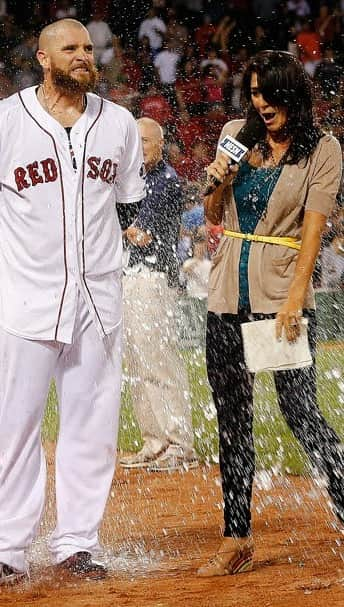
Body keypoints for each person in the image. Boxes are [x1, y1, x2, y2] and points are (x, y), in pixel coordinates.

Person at [0, 19, 145, 584]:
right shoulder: (8, 120)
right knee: (14, 427)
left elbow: (132, 204)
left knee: (92, 426)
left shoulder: (120, 124)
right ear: (42, 57)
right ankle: (9, 546)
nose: (84, 55)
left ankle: (78, 543)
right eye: (71, 48)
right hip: (24, 297)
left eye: (89, 47)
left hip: (98, 300)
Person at [198, 50, 343, 577]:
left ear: (294, 95)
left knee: (301, 415)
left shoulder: (323, 150)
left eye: (269, 93)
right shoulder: (236, 132)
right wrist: (216, 181)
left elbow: (314, 231)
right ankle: (236, 537)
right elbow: (214, 215)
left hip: (278, 296)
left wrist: (294, 300)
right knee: (233, 422)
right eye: (254, 93)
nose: (260, 103)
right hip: (224, 295)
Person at [119, 117, 198, 472]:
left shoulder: (164, 180)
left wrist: (110, 225)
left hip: (153, 277)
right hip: (130, 276)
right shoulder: (134, 180)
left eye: (145, 142)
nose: (139, 149)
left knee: (159, 361)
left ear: (160, 144)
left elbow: (141, 235)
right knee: (137, 363)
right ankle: (154, 440)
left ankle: (180, 443)